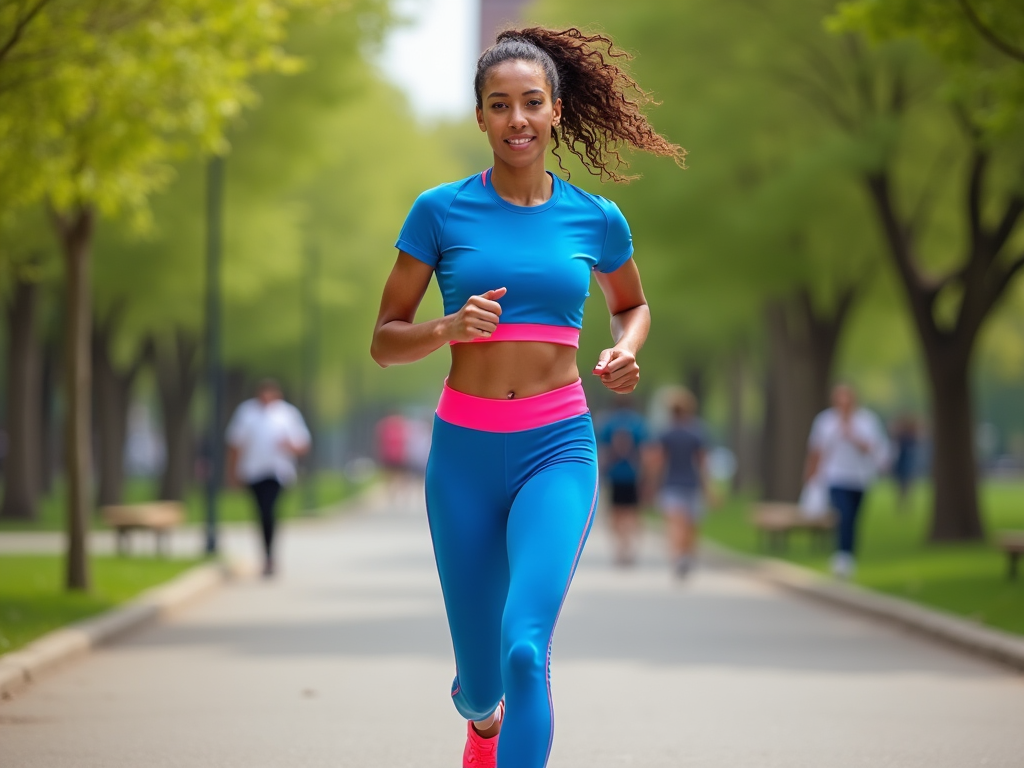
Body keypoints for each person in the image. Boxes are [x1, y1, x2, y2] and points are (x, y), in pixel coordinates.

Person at [370, 26, 684, 768]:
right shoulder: (439, 213)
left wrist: (624, 349)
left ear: (556, 112)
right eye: (500, 104)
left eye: (531, 103)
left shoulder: (596, 219)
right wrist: (447, 326)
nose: (517, 118)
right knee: (482, 688)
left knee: (523, 647)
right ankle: (481, 726)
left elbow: (632, 306)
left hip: (558, 447)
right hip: (464, 455)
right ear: (480, 117)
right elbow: (384, 338)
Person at [226, 379, 311, 577]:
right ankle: (266, 554)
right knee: (261, 513)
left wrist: (289, 446)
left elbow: (303, 444)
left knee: (269, 511)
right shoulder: (246, 413)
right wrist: (232, 472)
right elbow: (235, 444)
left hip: (278, 472)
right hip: (253, 472)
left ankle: (270, 556)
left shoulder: (287, 414)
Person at [805, 384, 889, 579]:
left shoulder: (867, 421)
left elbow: (874, 449)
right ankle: (842, 558)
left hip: (860, 478)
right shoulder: (825, 421)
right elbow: (816, 450)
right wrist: (811, 474)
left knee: (854, 518)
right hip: (835, 476)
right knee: (844, 516)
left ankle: (849, 554)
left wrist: (853, 435)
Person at [649, 388, 713, 578]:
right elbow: (702, 463)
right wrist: (709, 488)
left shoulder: (666, 433)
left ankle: (678, 557)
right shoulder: (697, 432)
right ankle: (687, 556)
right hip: (692, 484)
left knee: (675, 524)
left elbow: (658, 462)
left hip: (671, 484)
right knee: (692, 524)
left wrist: (652, 485)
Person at [598, 397, 649, 566]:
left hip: (614, 475)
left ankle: (620, 547)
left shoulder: (608, 424)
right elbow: (645, 451)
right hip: (633, 474)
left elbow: (603, 451)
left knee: (615, 513)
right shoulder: (638, 424)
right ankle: (629, 545)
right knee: (632, 513)